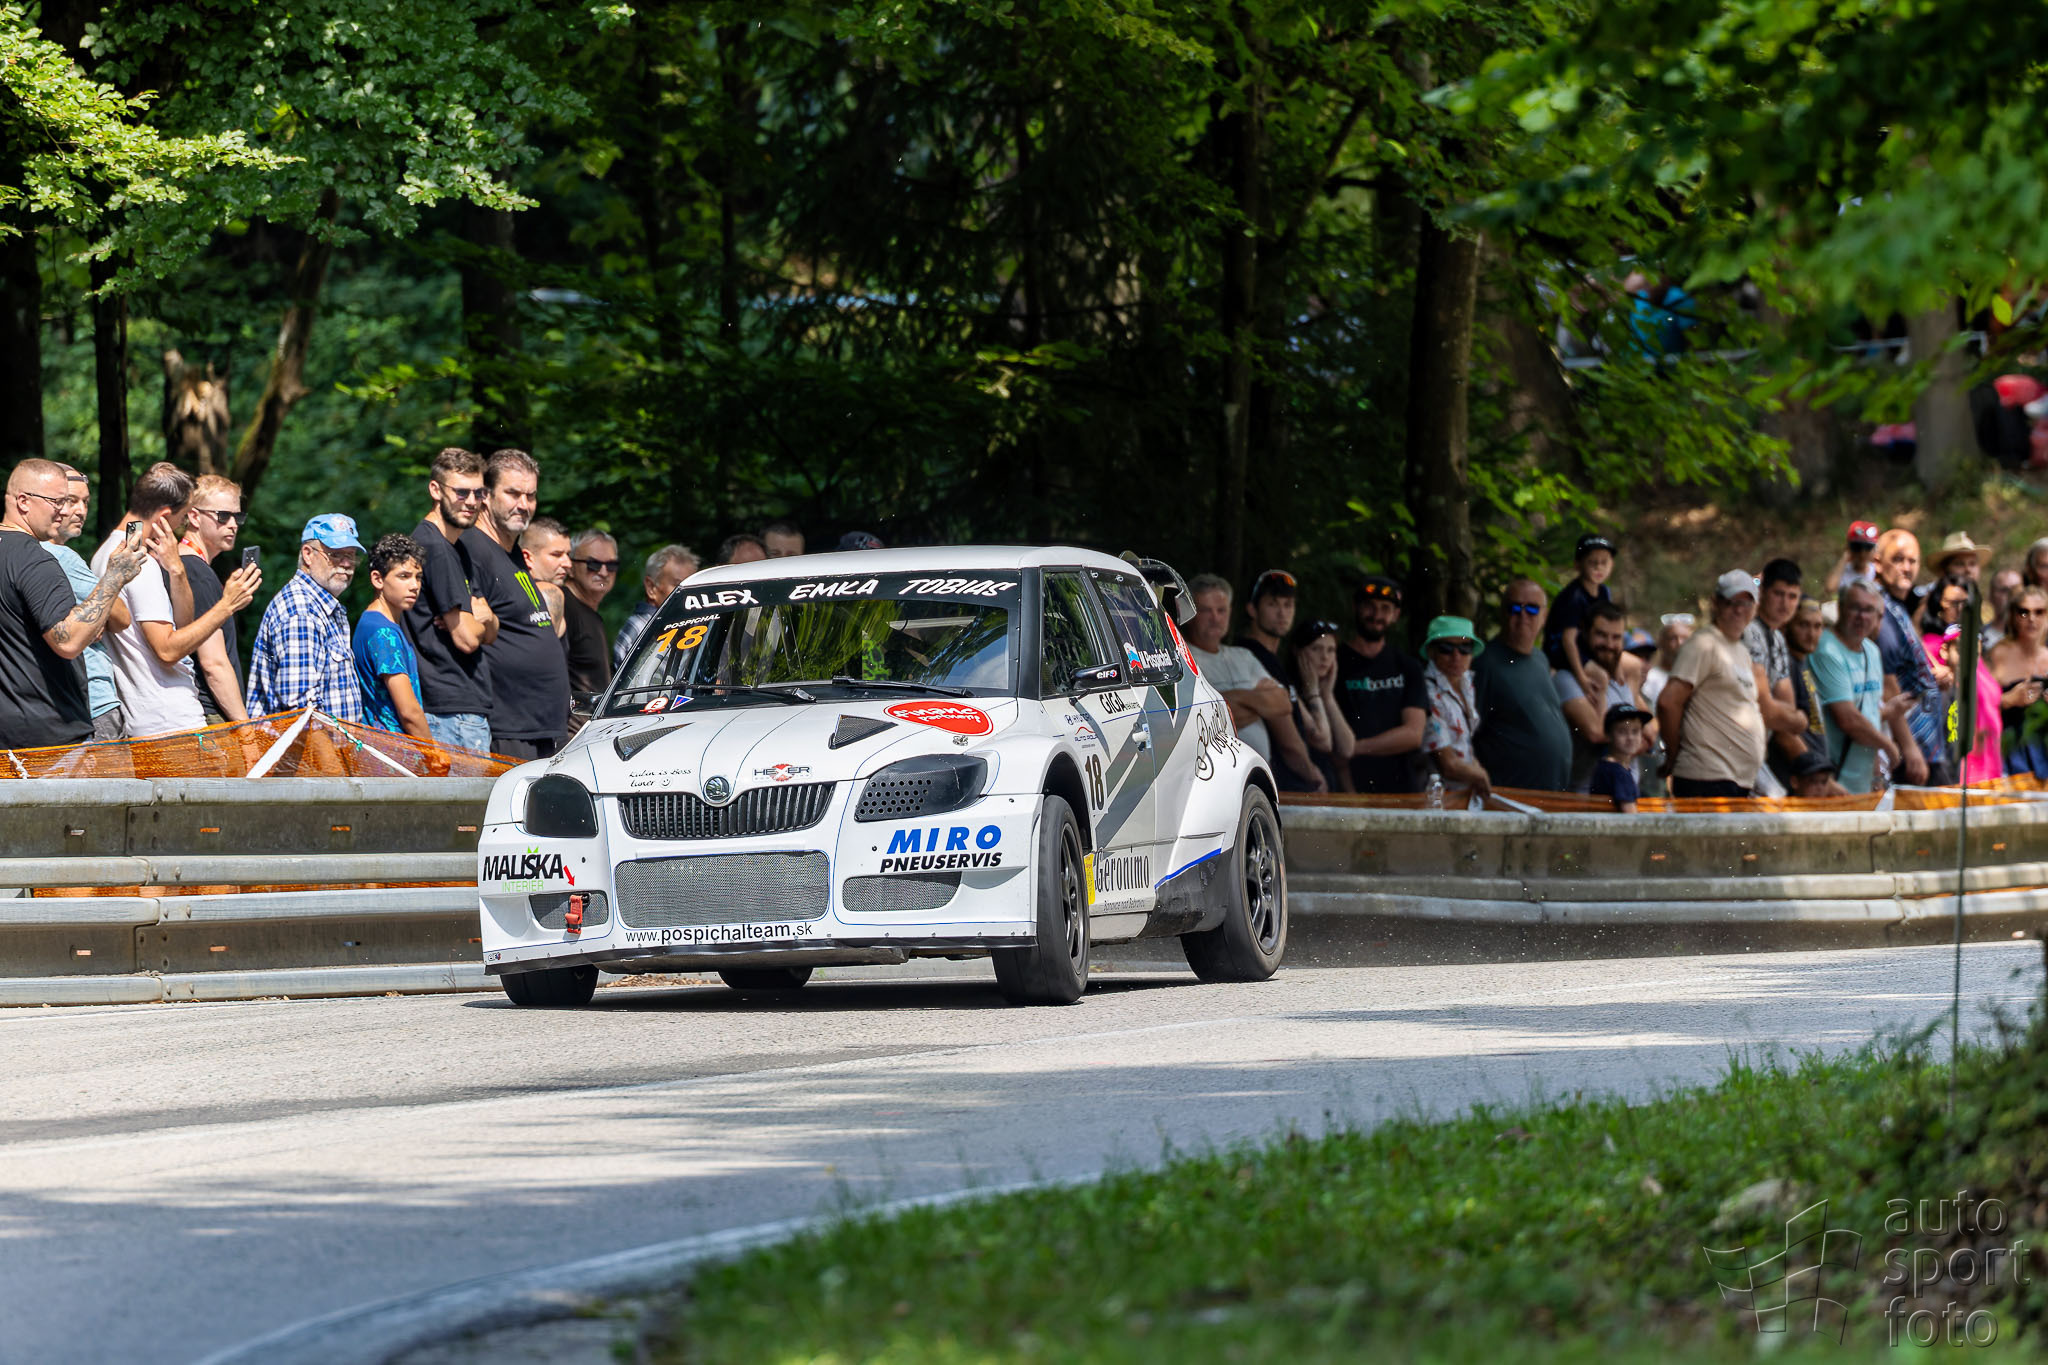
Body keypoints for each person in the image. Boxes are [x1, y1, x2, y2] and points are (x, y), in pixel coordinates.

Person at [91, 462, 258, 738]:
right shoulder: (140, 564)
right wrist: (227, 604)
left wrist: (176, 570)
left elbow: (182, 625)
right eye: (182, 517)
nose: (182, 526)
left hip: (149, 717)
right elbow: (168, 650)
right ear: (165, 515)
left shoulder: (106, 553)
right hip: (171, 721)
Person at [0, 459, 148, 749]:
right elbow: (67, 641)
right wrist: (114, 578)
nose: (65, 511)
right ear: (24, 501)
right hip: (51, 740)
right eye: (57, 502)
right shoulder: (38, 560)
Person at [468, 449, 570, 760]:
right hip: (507, 728)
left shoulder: (511, 552)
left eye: (531, 496)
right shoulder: (472, 549)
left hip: (543, 728)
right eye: (513, 493)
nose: (523, 505)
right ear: (486, 495)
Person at [1185, 573, 1323, 790]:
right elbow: (1201, 721)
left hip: (1260, 783)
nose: (1215, 618)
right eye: (1205, 610)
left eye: (1221, 610)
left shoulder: (1243, 656)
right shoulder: (1182, 659)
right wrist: (1259, 704)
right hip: (1213, 784)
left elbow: (1282, 703)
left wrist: (1229, 700)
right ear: (1189, 613)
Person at [406, 448, 499, 754]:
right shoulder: (435, 547)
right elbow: (467, 639)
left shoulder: (458, 547)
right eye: (461, 492)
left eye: (479, 493)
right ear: (435, 490)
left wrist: (483, 618)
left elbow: (491, 629)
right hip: (450, 712)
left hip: (461, 709)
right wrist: (479, 618)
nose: (472, 502)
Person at [1655, 570, 1771, 799]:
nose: (1739, 610)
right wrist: (1674, 754)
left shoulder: (1740, 650)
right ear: (1715, 603)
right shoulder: (1703, 644)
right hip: (1705, 778)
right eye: (1731, 602)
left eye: (1746, 603)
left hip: (1734, 781)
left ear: (1755, 608)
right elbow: (1668, 702)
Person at [245, 515, 367, 722]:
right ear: (308, 554)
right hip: (306, 743)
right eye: (336, 555)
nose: (347, 564)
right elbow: (302, 713)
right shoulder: (302, 612)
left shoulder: (321, 606)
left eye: (351, 555)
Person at [41, 466, 127, 740]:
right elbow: (122, 617)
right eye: (71, 501)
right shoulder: (62, 557)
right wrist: (95, 617)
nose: (81, 511)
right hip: (94, 701)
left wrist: (82, 615)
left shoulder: (20, 553)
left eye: (86, 502)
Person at [1472, 578, 1574, 792]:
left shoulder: (1541, 660)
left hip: (1550, 794)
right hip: (1509, 795)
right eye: (1515, 608)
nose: (1523, 616)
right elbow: (1466, 733)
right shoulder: (1484, 664)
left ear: (1544, 616)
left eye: (1532, 609)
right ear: (1503, 613)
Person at [1807, 580, 1904, 795]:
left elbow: (1869, 716)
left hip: (1863, 783)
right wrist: (1888, 746)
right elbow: (1849, 719)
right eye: (1855, 608)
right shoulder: (1826, 650)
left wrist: (1877, 774)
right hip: (1832, 782)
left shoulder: (1872, 651)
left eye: (1869, 610)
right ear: (1841, 608)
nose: (1862, 616)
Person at [1333, 576, 1426, 794]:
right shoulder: (1333, 662)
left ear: (1396, 615)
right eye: (1369, 606)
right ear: (1355, 607)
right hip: (1346, 786)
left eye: (1385, 608)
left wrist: (1355, 748)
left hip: (1402, 789)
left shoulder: (1407, 666)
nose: (1376, 615)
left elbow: (1413, 734)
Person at [178, 474, 252, 723]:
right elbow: (213, 663)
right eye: (223, 516)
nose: (233, 525)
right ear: (194, 516)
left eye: (237, 517)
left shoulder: (185, 565)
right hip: (211, 712)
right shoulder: (196, 572)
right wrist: (244, 727)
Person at [1919, 573, 2001, 784]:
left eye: (1966, 603)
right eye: (1954, 603)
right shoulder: (1931, 648)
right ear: (1939, 605)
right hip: (1955, 772)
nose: (1961, 609)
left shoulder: (1974, 649)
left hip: (1987, 766)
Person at [1872, 529, 1940, 784]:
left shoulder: (1897, 605)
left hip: (1925, 741)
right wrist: (1909, 748)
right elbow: (1888, 684)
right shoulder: (1879, 609)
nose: (1906, 567)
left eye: (1912, 561)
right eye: (1898, 559)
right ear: (1878, 563)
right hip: (1906, 745)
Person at [1554, 602, 1644, 792]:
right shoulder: (1566, 679)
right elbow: (1596, 734)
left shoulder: (1621, 679)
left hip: (1628, 793)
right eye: (1601, 635)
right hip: (1587, 797)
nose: (1609, 645)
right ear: (1585, 634)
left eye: (1616, 637)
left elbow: (1646, 729)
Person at [353, 534, 432, 741]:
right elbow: (409, 712)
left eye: (418, 577)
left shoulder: (370, 622)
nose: (414, 585)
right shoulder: (383, 632)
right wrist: (435, 752)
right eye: (404, 576)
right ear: (378, 579)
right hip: (392, 749)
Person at [1418, 615, 1491, 799]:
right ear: (1432, 651)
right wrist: (1480, 775)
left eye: (1465, 648)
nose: (1456, 656)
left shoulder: (1466, 682)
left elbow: (1463, 744)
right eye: (1446, 648)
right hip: (1439, 797)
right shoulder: (1428, 693)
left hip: (1464, 793)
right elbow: (1449, 766)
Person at [1280, 617, 1353, 792]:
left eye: (1330, 650)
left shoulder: (1327, 689)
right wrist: (1313, 694)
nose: (1325, 657)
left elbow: (1347, 748)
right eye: (1316, 649)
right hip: (1298, 788)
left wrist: (1327, 696)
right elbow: (1323, 741)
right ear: (1297, 651)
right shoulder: (1287, 687)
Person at [1771, 596, 1831, 790]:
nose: (1811, 634)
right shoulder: (1784, 666)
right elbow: (1783, 732)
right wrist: (1817, 777)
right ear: (1787, 625)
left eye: (1817, 626)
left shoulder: (1803, 661)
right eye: (1803, 625)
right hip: (1798, 781)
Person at [1545, 533, 1616, 695]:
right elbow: (1568, 640)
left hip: (1587, 648)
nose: (1599, 568)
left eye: (1604, 562)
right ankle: (1600, 712)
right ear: (1578, 564)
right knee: (1601, 677)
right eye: (1592, 562)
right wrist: (1582, 677)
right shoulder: (1574, 596)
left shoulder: (1604, 592)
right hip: (1562, 652)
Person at [1990, 585, 2048, 777]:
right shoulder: (1997, 654)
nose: (2031, 619)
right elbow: (1975, 706)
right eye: (2024, 612)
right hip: (2005, 754)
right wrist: (2009, 700)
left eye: (2039, 612)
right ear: (2013, 616)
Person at [613, 544, 699, 669]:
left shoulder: (692, 624)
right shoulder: (640, 629)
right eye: (678, 586)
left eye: (693, 586)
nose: (688, 594)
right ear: (651, 587)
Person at [562, 528, 618, 697]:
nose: (603, 572)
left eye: (611, 565)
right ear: (571, 567)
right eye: (593, 564)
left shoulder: (591, 614)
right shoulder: (563, 605)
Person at [1236, 569, 1297, 683]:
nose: (1282, 613)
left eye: (1288, 605)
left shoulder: (1278, 661)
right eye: (1272, 604)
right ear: (1252, 610)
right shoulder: (1242, 657)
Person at [1590, 703, 1651, 813]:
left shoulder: (1607, 766)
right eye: (1622, 732)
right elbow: (1630, 815)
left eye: (1635, 731)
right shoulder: (1618, 772)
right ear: (1608, 735)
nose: (1630, 738)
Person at [520, 516, 574, 639]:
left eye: (568, 554)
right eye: (556, 555)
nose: (568, 563)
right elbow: (543, 648)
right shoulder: (546, 593)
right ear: (527, 557)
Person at [1642, 614, 1693, 709]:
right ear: (1661, 642)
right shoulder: (1649, 680)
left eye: (1685, 638)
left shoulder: (1698, 678)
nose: (1680, 643)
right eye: (1673, 638)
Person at [1826, 521, 1882, 595]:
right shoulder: (1844, 571)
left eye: (1868, 548)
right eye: (1857, 547)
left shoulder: (1876, 570)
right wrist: (1845, 557)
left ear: (1875, 549)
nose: (1862, 553)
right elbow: (1830, 588)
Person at [1984, 569, 2022, 647]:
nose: (2012, 595)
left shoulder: (2038, 636)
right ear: (1991, 595)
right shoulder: (1981, 638)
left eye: (2016, 590)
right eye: (2005, 590)